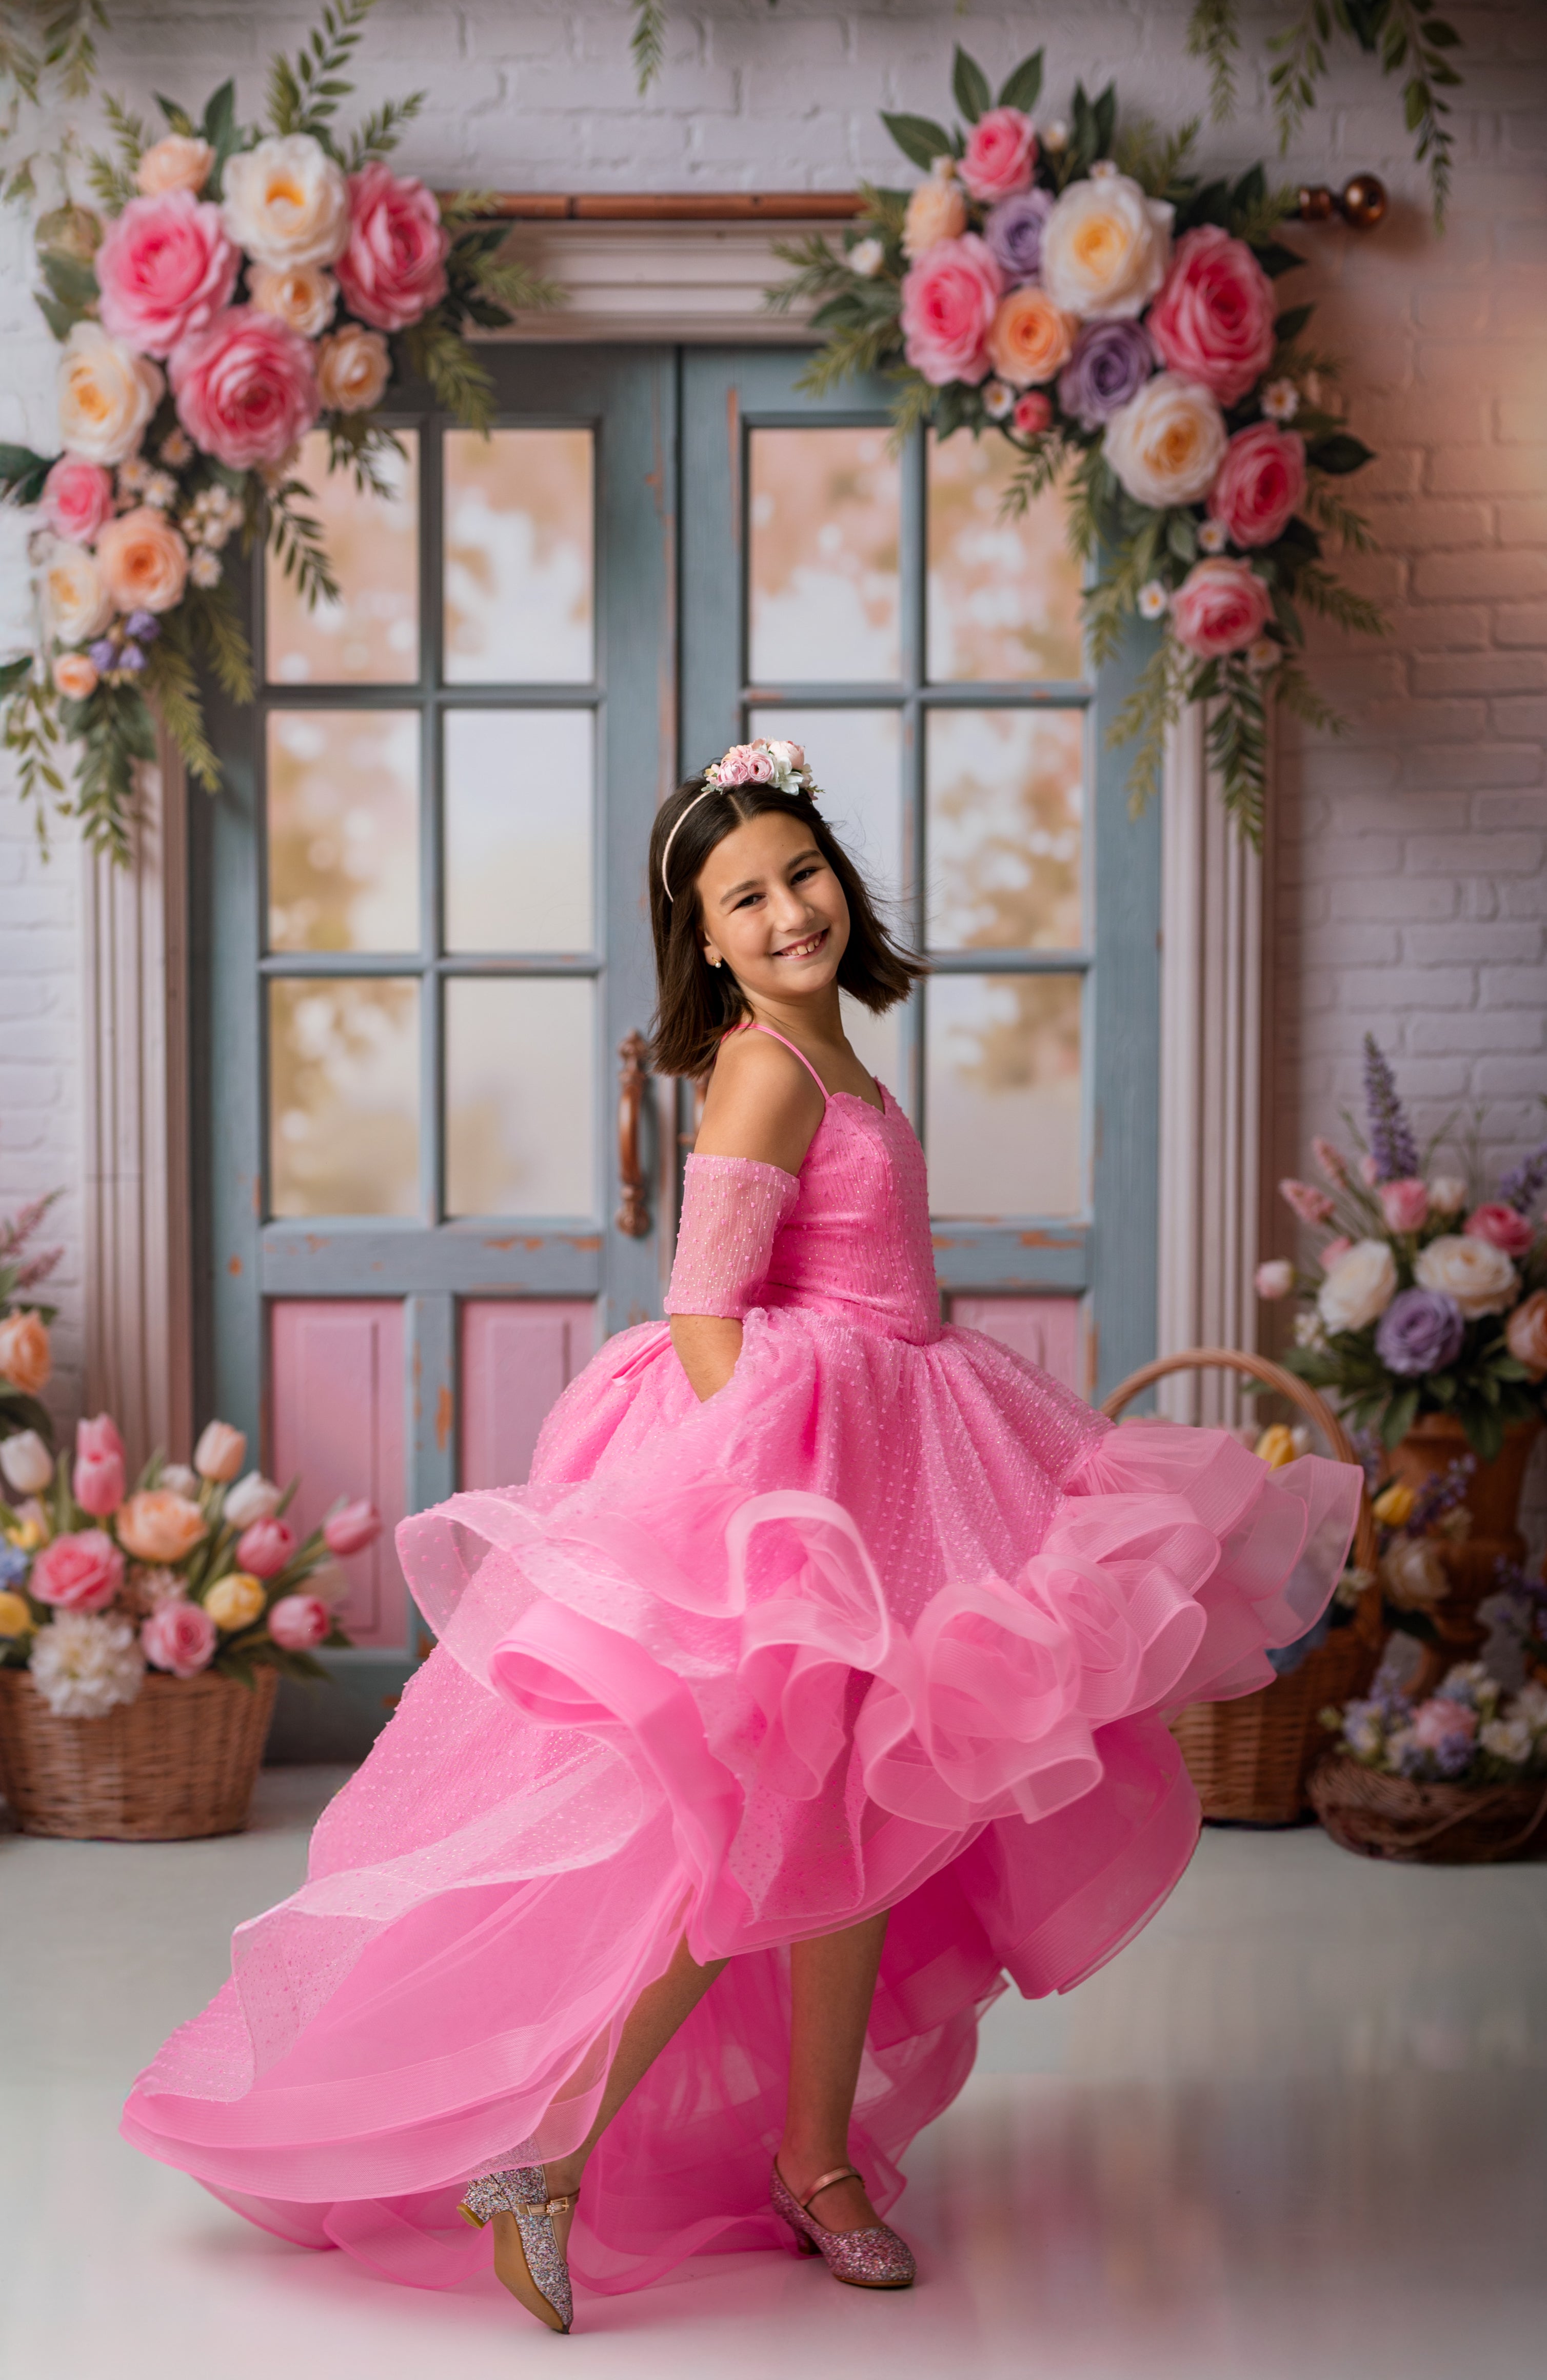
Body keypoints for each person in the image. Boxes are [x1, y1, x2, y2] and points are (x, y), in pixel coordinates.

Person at [123, 739, 1360, 2334]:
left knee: (875, 1824)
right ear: (703, 939)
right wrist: (776, 1516)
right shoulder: (767, 1065)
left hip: (914, 1434)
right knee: (770, 1840)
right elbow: (706, 1309)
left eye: (802, 874)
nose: (788, 912)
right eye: (745, 898)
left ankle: (811, 2154)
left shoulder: (840, 1049)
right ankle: (547, 2145)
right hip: (807, 1469)